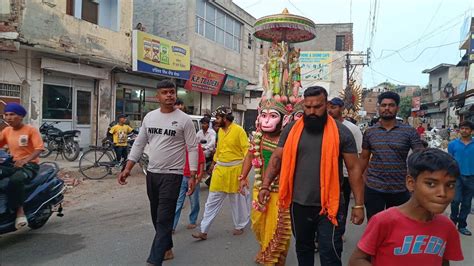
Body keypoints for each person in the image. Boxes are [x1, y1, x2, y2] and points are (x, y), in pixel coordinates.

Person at [258, 86, 365, 266]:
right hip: (299, 204)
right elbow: (277, 158)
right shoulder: (291, 129)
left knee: (330, 251)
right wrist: (265, 185)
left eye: (317, 107)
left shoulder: (341, 132)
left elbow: (354, 168)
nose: (312, 111)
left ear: (326, 105)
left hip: (331, 205)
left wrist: (359, 205)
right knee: (303, 248)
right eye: (307, 107)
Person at [118, 80, 198, 265]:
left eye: (172, 92)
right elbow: (139, 143)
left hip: (173, 174)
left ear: (175, 95)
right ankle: (167, 248)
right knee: (156, 215)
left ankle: (154, 260)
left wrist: (192, 175)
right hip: (152, 173)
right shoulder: (150, 117)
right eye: (165, 92)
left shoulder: (184, 119)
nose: (169, 95)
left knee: (164, 217)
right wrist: (128, 168)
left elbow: (192, 148)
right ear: (158, 96)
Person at [349, 149, 464, 266]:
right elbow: (356, 261)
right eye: (431, 184)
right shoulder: (384, 221)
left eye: (450, 185)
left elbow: (443, 261)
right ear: (411, 183)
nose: (442, 193)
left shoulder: (447, 226)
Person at [239, 98, 292, 265]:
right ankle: (264, 250)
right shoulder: (257, 138)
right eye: (263, 115)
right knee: (258, 224)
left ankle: (275, 258)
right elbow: (249, 156)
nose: (267, 120)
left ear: (285, 119)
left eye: (273, 116)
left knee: (277, 228)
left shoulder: (288, 140)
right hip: (259, 188)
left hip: (280, 191)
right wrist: (242, 177)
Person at [360, 91, 424, 220]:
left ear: (397, 108)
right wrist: (359, 182)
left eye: (391, 105)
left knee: (398, 226)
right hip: (374, 188)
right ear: (379, 108)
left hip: (400, 188)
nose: (387, 108)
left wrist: (417, 184)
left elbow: (420, 157)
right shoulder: (370, 132)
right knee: (375, 224)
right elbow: (363, 159)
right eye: (383, 105)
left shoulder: (409, 132)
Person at [192, 106, 250, 240]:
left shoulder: (239, 131)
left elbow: (247, 152)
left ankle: (240, 225)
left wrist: (244, 174)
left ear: (225, 118)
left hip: (235, 171)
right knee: (211, 201)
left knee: (237, 201)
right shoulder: (220, 132)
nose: (215, 121)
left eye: (218, 118)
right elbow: (219, 150)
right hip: (220, 171)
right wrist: (213, 163)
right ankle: (203, 230)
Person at [0, 103, 44, 229]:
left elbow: (39, 149)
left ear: (20, 116)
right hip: (13, 164)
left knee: (16, 180)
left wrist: (26, 160)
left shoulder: (30, 130)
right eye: (6, 115)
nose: (8, 117)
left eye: (12, 114)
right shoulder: (7, 131)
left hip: (30, 165)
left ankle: (20, 212)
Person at [327, 97, 363, 235]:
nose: (330, 110)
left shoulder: (352, 129)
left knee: (341, 204)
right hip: (327, 173)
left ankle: (338, 233)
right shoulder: (322, 127)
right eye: (328, 107)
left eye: (334, 107)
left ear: (342, 109)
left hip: (345, 175)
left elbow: (358, 155)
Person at [173, 143, 206, 232]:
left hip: (193, 177)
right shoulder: (179, 144)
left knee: (194, 201)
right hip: (182, 176)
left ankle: (193, 221)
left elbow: (202, 161)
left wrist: (199, 176)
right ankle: (172, 226)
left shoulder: (196, 145)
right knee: (178, 202)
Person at [449, 121, 474, 236]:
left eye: (467, 128)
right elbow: (449, 161)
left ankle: (462, 225)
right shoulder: (453, 144)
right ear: (459, 130)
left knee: (467, 203)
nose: (464, 130)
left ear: (471, 131)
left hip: (472, 177)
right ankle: (452, 222)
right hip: (457, 177)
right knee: (455, 201)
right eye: (462, 128)